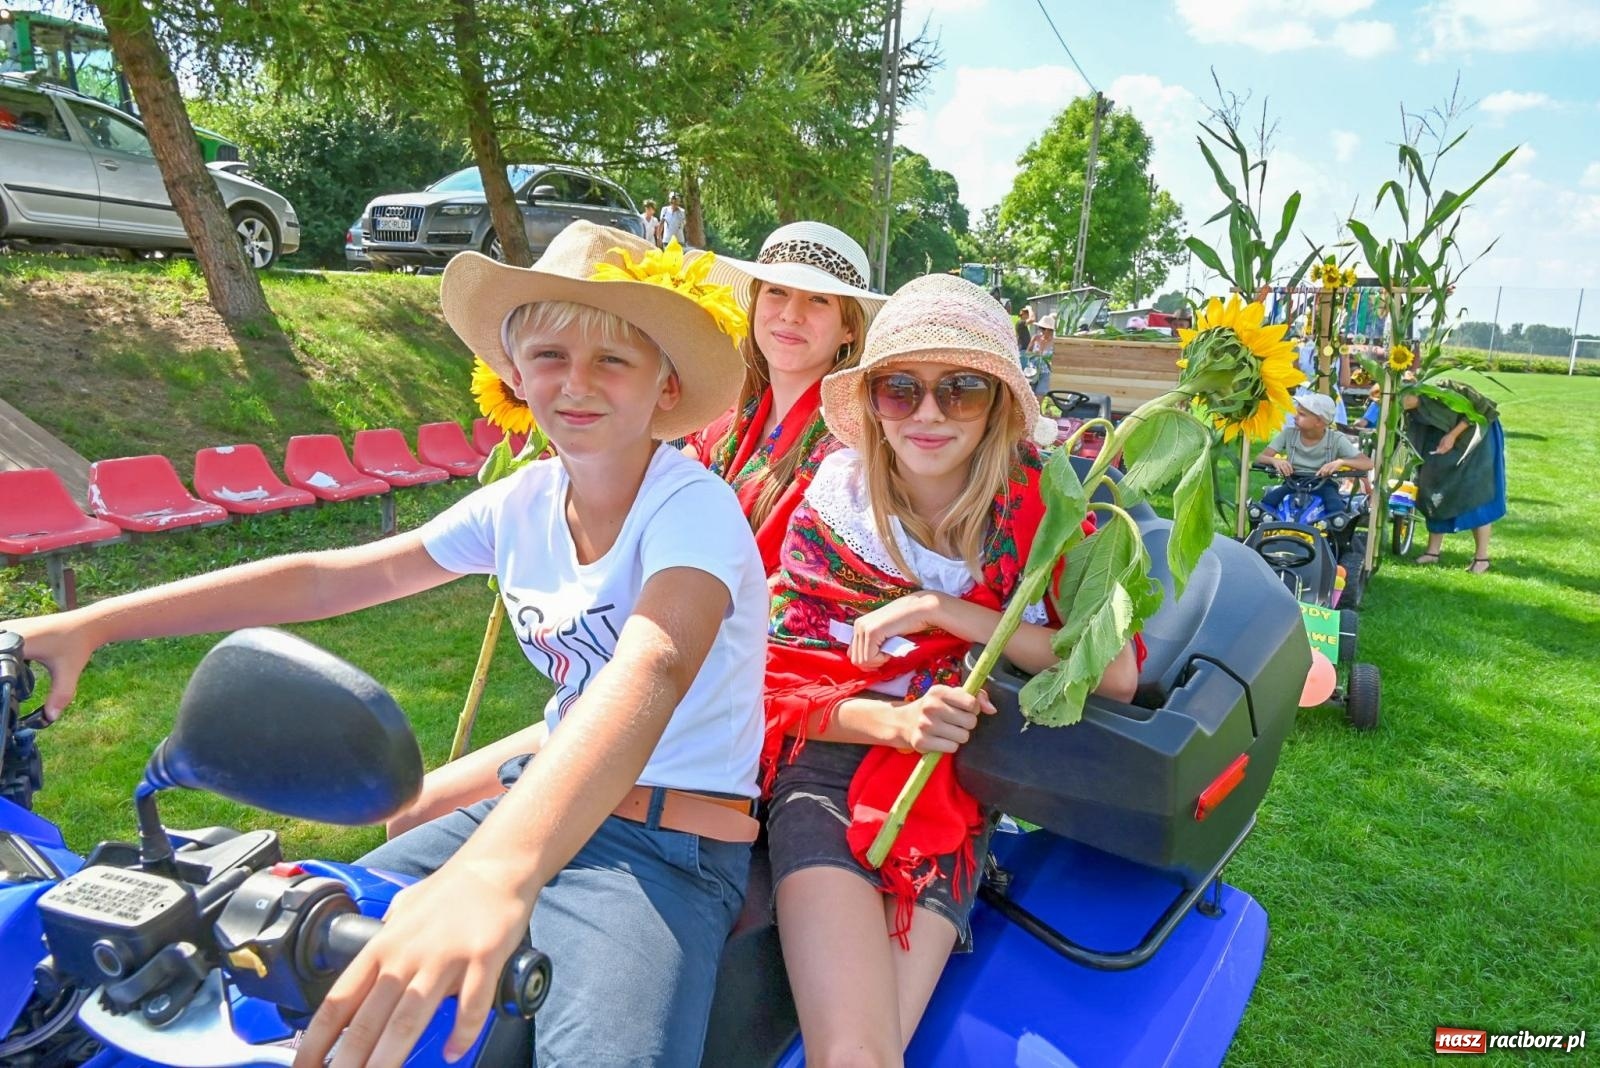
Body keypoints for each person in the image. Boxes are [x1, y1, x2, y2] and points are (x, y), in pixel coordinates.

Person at [4, 222, 769, 1068]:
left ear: (666, 386)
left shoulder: (691, 507)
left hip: (662, 851)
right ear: (515, 377)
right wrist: (92, 623)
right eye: (550, 356)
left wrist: (493, 872)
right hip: (527, 805)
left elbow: (655, 662)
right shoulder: (520, 503)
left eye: (612, 360)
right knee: (285, 972)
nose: (576, 383)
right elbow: (327, 580)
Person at [761, 274, 1139, 1061]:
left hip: (951, 786)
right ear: (873, 403)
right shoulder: (833, 507)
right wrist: (895, 722)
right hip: (829, 764)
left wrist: (944, 612)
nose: (928, 414)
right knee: (858, 1054)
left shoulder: (1043, 507)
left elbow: (1111, 675)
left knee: (863, 1054)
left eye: (961, 389)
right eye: (900, 389)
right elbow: (776, 682)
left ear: (997, 403)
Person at [682, 221, 886, 573]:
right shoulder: (728, 419)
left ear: (849, 329)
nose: (791, 314)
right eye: (777, 291)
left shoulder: (850, 452)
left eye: (818, 299)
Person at [1402, 379, 1505, 573]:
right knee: (1433, 489)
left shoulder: (1443, 390)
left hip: (1477, 438)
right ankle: (1432, 552)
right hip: (1441, 439)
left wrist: (1452, 436)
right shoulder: (1409, 408)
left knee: (1475, 495)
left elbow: (1481, 409)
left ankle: (1481, 558)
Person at [1255, 391, 1373, 517]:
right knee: (1265, 505)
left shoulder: (1335, 439)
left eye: (1301, 414)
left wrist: (1341, 462)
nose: (1295, 416)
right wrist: (1275, 461)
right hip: (1293, 482)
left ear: (1319, 421)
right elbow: (1260, 458)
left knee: (1336, 511)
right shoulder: (1289, 434)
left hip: (1324, 484)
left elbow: (1368, 464)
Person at [1025, 312, 1056, 399]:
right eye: (1042, 328)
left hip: (1045, 372)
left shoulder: (1054, 342)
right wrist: (1035, 354)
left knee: (1039, 395)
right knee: (1029, 397)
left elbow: (1057, 358)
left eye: (1045, 329)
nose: (1043, 331)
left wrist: (1048, 358)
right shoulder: (1035, 338)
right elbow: (1027, 352)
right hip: (1032, 371)